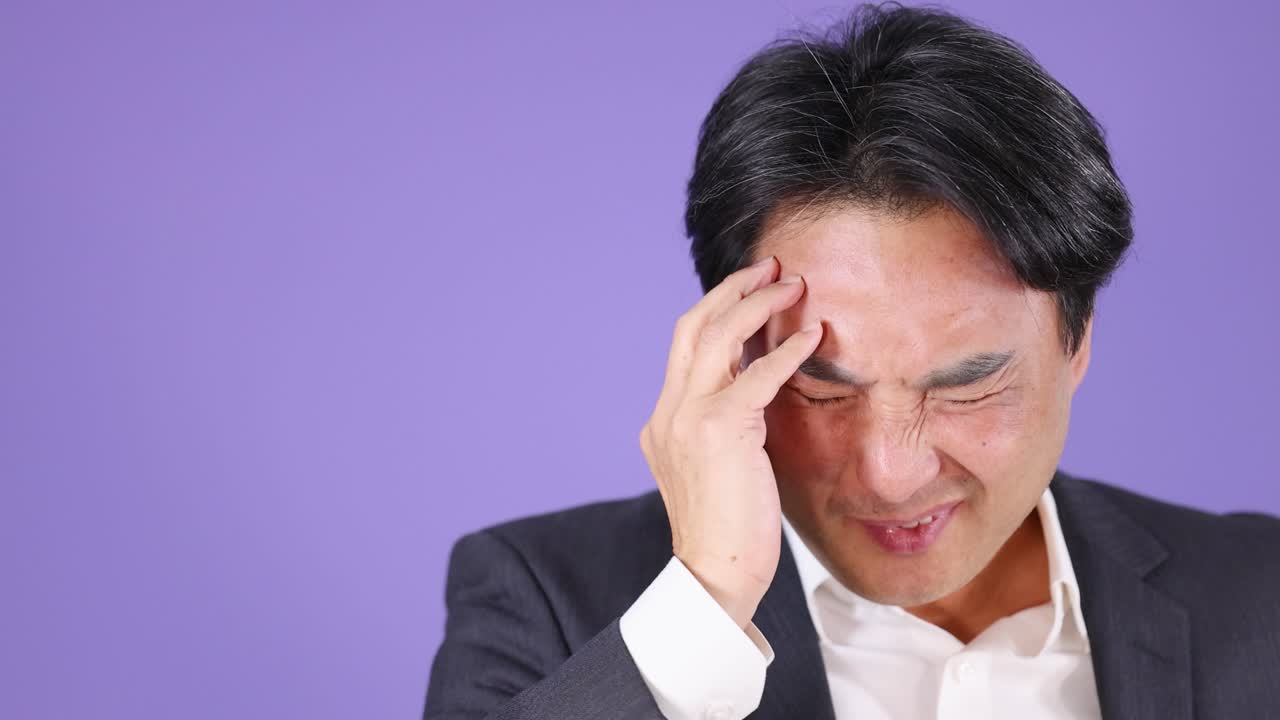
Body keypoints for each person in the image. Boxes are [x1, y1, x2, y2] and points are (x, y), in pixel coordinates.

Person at [423, 3, 1280, 718]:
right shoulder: (542, 597)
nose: (893, 475)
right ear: (727, 350)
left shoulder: (1258, 593)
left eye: (970, 387)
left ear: (1077, 342)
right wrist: (708, 604)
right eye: (819, 389)